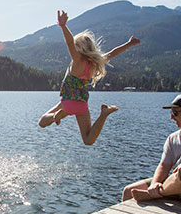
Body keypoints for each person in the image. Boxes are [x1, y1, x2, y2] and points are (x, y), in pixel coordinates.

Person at [38, 10, 140, 145]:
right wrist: (129, 44)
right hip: (82, 104)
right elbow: (113, 53)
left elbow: (69, 42)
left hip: (68, 102)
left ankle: (57, 115)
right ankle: (104, 113)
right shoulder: (95, 62)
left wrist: (63, 26)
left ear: (78, 47)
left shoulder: (77, 60)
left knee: (42, 122)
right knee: (88, 140)